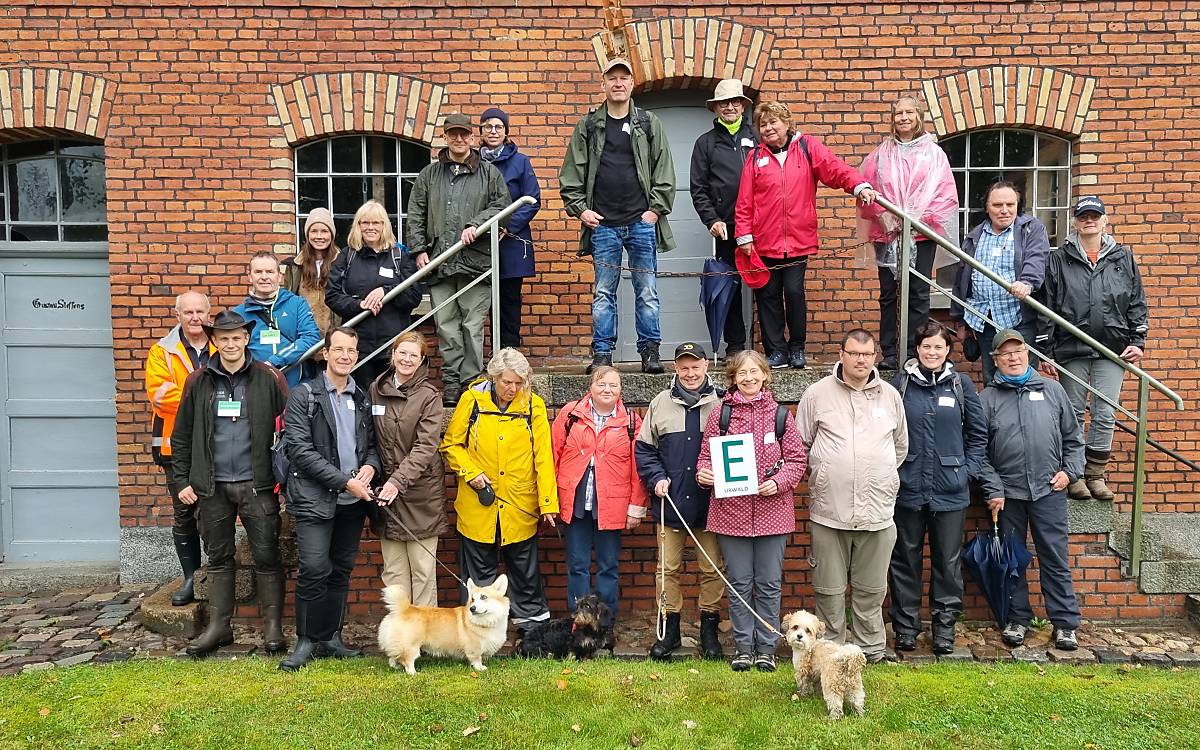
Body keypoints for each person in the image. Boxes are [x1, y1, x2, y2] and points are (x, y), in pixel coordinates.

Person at [170, 310, 289, 658]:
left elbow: (293, 431)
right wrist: (181, 480)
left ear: (247, 339)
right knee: (219, 557)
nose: (231, 343)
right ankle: (219, 627)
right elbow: (182, 436)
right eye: (223, 338)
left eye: (237, 337)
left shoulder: (269, 378)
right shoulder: (198, 381)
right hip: (212, 487)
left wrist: (285, 480)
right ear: (214, 341)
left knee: (267, 555)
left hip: (258, 483)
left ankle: (273, 628)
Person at [734, 101, 879, 370]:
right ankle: (776, 351)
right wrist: (744, 235)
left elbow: (835, 169)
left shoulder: (806, 147)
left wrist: (859, 184)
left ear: (787, 123)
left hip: (798, 242)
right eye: (763, 124)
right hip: (763, 242)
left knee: (793, 292)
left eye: (773, 122)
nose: (768, 128)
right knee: (768, 295)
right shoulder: (755, 157)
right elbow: (745, 201)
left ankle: (797, 347)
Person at [796, 328, 907, 664]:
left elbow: (899, 447)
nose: (861, 359)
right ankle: (830, 653)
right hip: (830, 513)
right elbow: (800, 445)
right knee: (829, 590)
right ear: (841, 354)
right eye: (854, 353)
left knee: (871, 590)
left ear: (875, 357)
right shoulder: (817, 394)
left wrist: (880, 475)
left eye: (867, 354)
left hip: (878, 514)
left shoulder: (890, 396)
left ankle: (870, 650)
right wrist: (829, 475)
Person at [559, 58, 676, 375]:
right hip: (604, 226)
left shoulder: (647, 123)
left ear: (631, 83)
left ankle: (650, 352)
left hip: (641, 223)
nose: (619, 83)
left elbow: (664, 169)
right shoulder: (589, 126)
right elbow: (571, 176)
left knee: (647, 291)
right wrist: (581, 210)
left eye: (625, 77)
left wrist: (654, 210)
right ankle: (602, 354)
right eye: (613, 78)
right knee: (602, 294)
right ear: (604, 83)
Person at [696, 350, 808, 673]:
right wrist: (705, 474)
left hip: (774, 514)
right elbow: (706, 458)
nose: (748, 378)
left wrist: (779, 482)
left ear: (765, 375)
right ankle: (744, 648)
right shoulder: (721, 415)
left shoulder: (781, 416)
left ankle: (767, 648)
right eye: (742, 373)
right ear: (733, 378)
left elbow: (797, 461)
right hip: (731, 514)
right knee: (739, 583)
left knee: (770, 584)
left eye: (754, 372)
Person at [278, 327, 381, 671]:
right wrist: (343, 482)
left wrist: (369, 467)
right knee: (313, 568)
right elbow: (300, 451)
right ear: (325, 353)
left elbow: (371, 447)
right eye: (338, 349)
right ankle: (306, 640)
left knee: (340, 570)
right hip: (314, 499)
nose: (345, 356)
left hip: (352, 504)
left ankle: (331, 637)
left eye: (351, 350)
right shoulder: (303, 395)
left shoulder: (361, 397)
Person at [979, 329, 1085, 651]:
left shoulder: (1053, 391)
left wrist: (1069, 473)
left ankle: (1065, 624)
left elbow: (1074, 440)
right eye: (1005, 353)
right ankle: (1017, 619)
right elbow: (978, 452)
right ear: (995, 360)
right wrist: (993, 487)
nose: (1013, 357)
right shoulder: (987, 399)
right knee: (1012, 560)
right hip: (1008, 495)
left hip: (1049, 491)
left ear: (1028, 354)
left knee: (1055, 558)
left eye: (1018, 351)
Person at [440, 348, 558, 630]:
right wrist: (472, 473)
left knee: (524, 573)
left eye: (519, 383)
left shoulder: (533, 406)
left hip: (520, 505)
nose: (512, 388)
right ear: (494, 377)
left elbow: (543, 456)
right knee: (479, 575)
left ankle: (532, 631)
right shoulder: (472, 400)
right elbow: (451, 445)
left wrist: (548, 503)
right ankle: (477, 633)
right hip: (478, 504)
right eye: (507, 382)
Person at [1039, 196, 1148, 501]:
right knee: (1072, 412)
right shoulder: (1059, 259)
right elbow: (1047, 305)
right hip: (1071, 348)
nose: (1089, 221)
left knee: (1105, 413)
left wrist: (1137, 342)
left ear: (1104, 221)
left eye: (1094, 216)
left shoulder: (1122, 258)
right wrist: (1045, 350)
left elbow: (1137, 302)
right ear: (1075, 222)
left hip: (1112, 350)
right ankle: (1073, 473)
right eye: (1083, 216)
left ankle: (1095, 475)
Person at [888, 321, 987, 655]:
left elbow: (978, 434)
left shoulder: (961, 386)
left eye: (938, 347)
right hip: (908, 486)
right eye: (926, 346)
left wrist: (968, 471)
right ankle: (905, 628)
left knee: (947, 562)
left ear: (948, 351)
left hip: (950, 489)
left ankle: (944, 629)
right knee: (905, 560)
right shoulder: (900, 386)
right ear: (917, 349)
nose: (932, 352)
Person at [409, 112, 510, 404]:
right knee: (446, 326)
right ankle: (452, 381)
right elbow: (416, 212)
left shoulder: (489, 173)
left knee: (472, 325)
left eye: (464, 134)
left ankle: (473, 380)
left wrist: (476, 225)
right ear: (445, 137)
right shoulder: (429, 175)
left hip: (476, 263)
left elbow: (502, 207)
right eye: (453, 134)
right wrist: (419, 249)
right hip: (440, 262)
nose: (459, 139)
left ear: (472, 137)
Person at [636, 342, 726, 660]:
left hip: (711, 506)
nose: (690, 372)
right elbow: (644, 449)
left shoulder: (723, 404)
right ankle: (669, 632)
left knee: (711, 569)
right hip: (670, 504)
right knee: (667, 570)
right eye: (683, 366)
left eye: (695, 365)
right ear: (676, 368)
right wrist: (656, 477)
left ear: (706, 366)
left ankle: (709, 633)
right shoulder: (660, 403)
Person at [858, 96, 959, 370]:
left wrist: (919, 220)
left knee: (918, 292)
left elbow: (945, 195)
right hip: (887, 234)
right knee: (889, 294)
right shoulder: (880, 154)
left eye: (909, 112)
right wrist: (885, 216)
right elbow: (867, 189)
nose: (903, 117)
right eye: (898, 113)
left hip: (922, 235)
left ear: (918, 116)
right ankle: (890, 353)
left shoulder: (934, 154)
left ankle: (916, 351)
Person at [552, 366, 647, 626]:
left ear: (620, 390)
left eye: (613, 385)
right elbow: (553, 457)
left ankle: (603, 625)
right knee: (577, 565)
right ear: (590, 387)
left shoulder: (631, 421)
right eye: (602, 384)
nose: (607, 390)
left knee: (608, 567)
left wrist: (635, 506)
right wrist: (550, 500)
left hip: (612, 505)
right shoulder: (571, 414)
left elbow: (638, 469)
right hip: (575, 502)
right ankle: (579, 623)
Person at [144, 290, 213, 606]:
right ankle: (189, 578)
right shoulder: (163, 352)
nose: (195, 317)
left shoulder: (219, 346)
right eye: (189, 313)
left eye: (200, 311)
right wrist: (206, 402)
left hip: (215, 447)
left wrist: (188, 398)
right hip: (176, 448)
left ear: (208, 314)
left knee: (213, 512)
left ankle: (212, 578)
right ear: (178, 315)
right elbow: (160, 395)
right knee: (184, 512)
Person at [368, 331, 447, 606]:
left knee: (423, 571)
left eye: (414, 355)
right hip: (385, 495)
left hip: (419, 495)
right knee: (393, 572)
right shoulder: (375, 389)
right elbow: (369, 439)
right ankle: (401, 637)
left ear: (422, 360)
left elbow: (426, 447)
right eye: (402, 352)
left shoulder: (429, 396)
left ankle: (425, 639)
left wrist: (397, 482)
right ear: (393, 354)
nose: (407, 359)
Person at [951, 181, 1050, 384]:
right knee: (992, 379)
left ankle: (1026, 415)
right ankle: (996, 417)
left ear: (1017, 205)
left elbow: (1037, 258)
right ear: (987, 207)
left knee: (1024, 378)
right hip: (985, 319)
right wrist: (960, 320)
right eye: (997, 205)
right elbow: (961, 278)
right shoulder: (974, 236)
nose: (1004, 210)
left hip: (1019, 318)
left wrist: (1027, 282)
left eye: (1010, 205)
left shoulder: (1030, 229)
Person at [689, 79, 758, 358]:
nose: (730, 107)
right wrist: (711, 219)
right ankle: (736, 345)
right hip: (726, 228)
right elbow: (699, 188)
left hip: (758, 226)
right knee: (728, 287)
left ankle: (771, 347)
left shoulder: (756, 137)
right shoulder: (705, 143)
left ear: (742, 105)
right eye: (724, 103)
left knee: (764, 285)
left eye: (734, 102)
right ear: (716, 108)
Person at [325, 200, 422, 387]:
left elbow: (413, 297)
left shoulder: (399, 257)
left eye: (376, 223)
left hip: (392, 345)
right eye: (365, 223)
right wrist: (359, 304)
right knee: (361, 401)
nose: (370, 227)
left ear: (384, 225)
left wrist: (386, 291)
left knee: (392, 400)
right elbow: (332, 295)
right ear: (358, 226)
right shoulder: (347, 256)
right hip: (358, 345)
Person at [478, 107, 542, 350]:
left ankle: (509, 351)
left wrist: (507, 226)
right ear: (481, 131)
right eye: (488, 127)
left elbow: (532, 199)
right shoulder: (474, 162)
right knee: (482, 300)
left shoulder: (520, 162)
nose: (493, 131)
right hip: (480, 243)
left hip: (512, 242)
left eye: (498, 127)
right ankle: (489, 353)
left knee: (509, 300)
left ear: (506, 132)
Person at [232, 251, 322, 388]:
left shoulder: (297, 304)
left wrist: (275, 361)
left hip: (294, 386)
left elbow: (311, 337)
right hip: (256, 386)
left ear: (280, 276)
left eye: (269, 272)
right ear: (250, 277)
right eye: (258, 272)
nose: (264, 277)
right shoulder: (238, 313)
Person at [282, 207, 341, 335]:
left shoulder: (343, 264)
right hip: (303, 337)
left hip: (336, 337)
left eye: (324, 231)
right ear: (307, 234)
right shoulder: (294, 267)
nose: (319, 236)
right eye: (314, 231)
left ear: (331, 234)